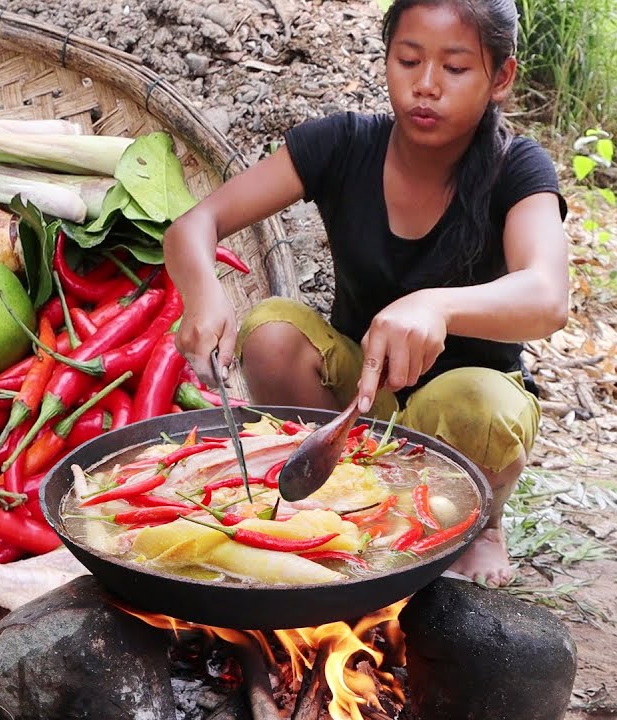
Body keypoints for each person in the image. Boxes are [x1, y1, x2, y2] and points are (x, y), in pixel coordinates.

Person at [163, 0, 569, 588]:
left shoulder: (517, 167)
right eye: (408, 60)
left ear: (500, 78)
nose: (426, 85)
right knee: (272, 333)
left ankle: (482, 523)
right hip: (361, 400)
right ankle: (333, 498)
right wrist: (202, 293)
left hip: (463, 418)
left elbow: (548, 297)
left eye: (455, 68)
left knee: (473, 402)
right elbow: (193, 226)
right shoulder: (344, 144)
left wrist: (436, 305)